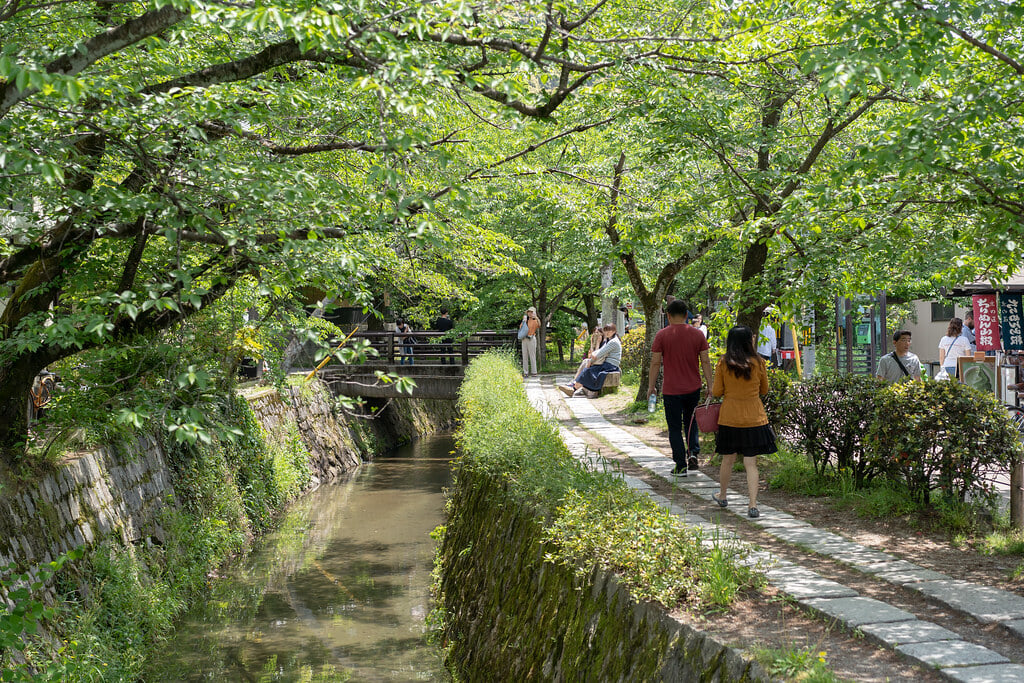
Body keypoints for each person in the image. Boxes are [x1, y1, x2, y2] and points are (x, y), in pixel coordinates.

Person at [710, 325, 777, 519]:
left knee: (727, 460)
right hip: (754, 417)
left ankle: (723, 495)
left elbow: (716, 392)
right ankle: (753, 504)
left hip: (730, 417)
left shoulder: (723, 362)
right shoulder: (759, 362)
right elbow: (764, 390)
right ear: (748, 341)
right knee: (751, 463)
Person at [647, 300, 713, 477]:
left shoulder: (662, 335)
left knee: (675, 427)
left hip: (671, 389)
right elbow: (705, 361)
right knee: (691, 422)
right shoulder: (697, 334)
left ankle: (680, 465)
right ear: (686, 315)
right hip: (693, 387)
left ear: (668, 316)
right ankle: (693, 453)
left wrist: (651, 386)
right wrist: (710, 385)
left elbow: (655, 363)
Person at [559, 324, 621, 397]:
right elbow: (599, 352)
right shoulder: (610, 340)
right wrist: (592, 356)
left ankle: (573, 388)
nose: (607, 332)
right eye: (605, 330)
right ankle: (573, 388)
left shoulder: (613, 342)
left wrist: (591, 361)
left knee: (589, 370)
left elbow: (600, 353)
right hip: (608, 364)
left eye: (609, 331)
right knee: (588, 369)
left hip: (610, 366)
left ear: (614, 331)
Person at [520, 306, 541, 376]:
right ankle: (525, 372)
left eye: (531, 312)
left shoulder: (535, 321)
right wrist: (524, 321)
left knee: (532, 355)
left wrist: (536, 317)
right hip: (524, 339)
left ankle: (534, 372)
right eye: (529, 312)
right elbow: (521, 328)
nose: (530, 313)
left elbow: (539, 325)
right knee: (524, 356)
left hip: (531, 338)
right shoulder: (526, 320)